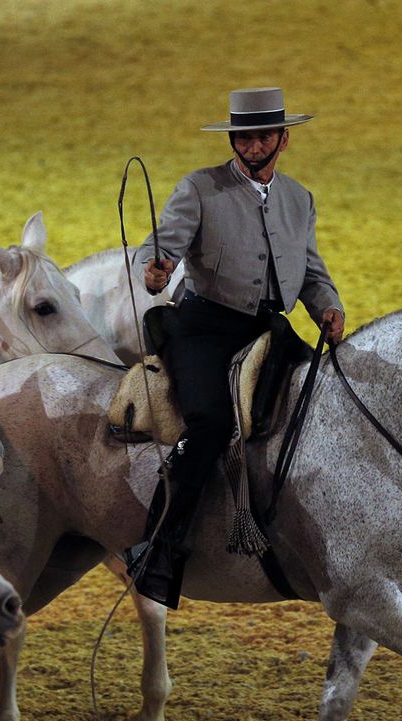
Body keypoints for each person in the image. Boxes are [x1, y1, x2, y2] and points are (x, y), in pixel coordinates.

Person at [129, 86, 346, 608]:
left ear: (283, 140)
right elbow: (163, 243)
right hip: (205, 327)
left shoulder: (299, 199)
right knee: (207, 422)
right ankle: (161, 545)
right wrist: (157, 267)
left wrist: (328, 307)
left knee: (329, 399)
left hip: (271, 328)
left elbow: (311, 271)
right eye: (243, 138)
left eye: (262, 137)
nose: (251, 147)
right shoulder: (200, 188)